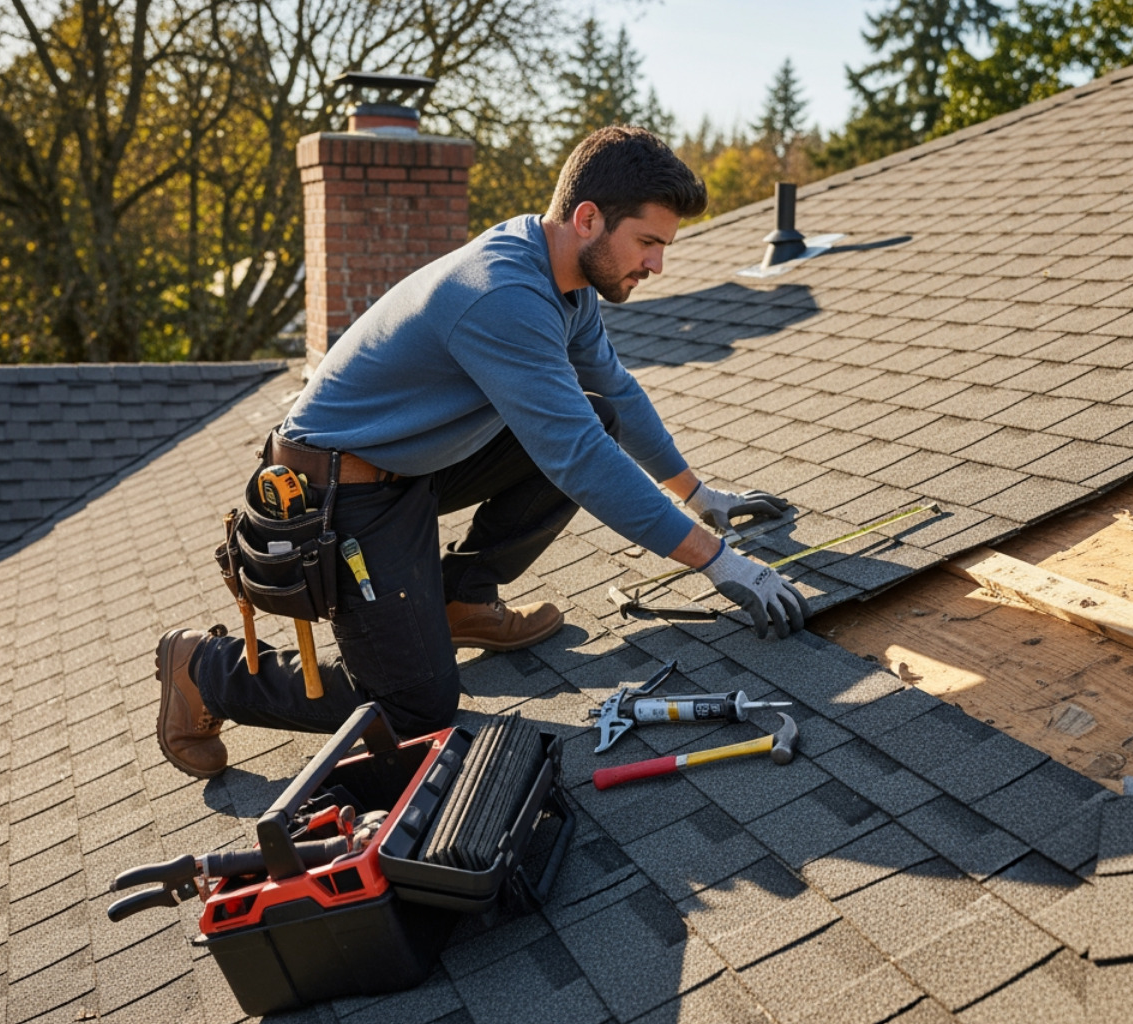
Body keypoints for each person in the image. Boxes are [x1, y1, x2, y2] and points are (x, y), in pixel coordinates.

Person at [155, 126, 807, 779]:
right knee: (415, 714)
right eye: (649, 243)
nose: (657, 265)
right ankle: (206, 671)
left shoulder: (564, 281)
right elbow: (576, 458)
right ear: (587, 219)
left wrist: (697, 495)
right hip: (338, 496)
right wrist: (718, 562)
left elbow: (613, 394)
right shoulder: (503, 293)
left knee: (596, 414)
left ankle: (457, 599)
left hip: (410, 465)